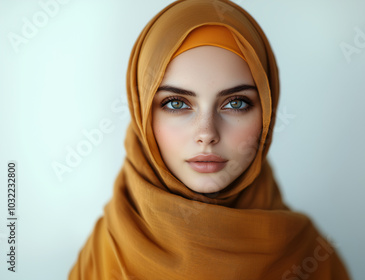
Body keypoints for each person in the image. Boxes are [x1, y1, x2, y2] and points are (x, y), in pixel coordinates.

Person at [69, 0, 350, 279]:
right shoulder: (100, 256)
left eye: (237, 103)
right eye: (177, 104)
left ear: (267, 111)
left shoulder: (311, 258)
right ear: (142, 115)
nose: (207, 134)